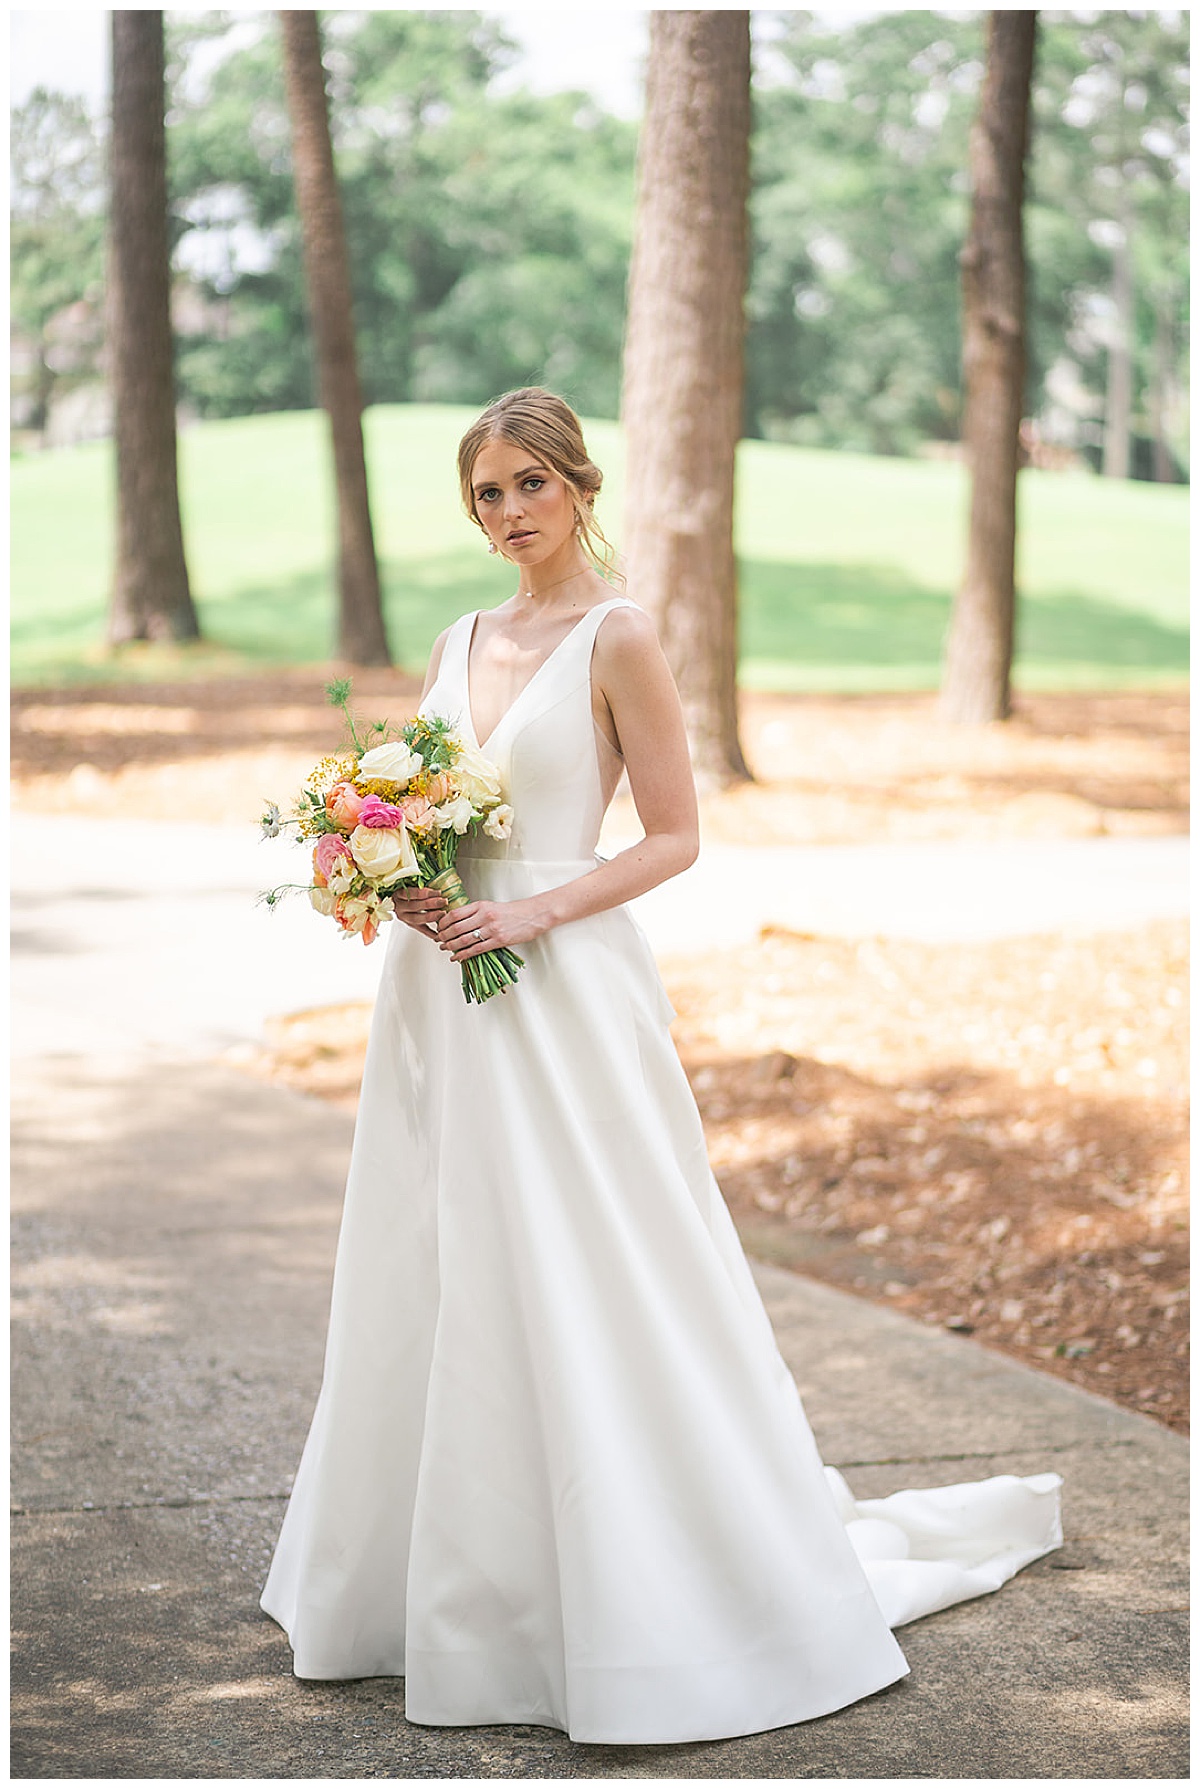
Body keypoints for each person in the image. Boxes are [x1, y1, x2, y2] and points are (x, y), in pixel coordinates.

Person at [260, 388, 1062, 1746]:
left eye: (528, 484)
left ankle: (645, 1592)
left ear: (577, 485)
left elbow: (676, 835)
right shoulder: (459, 637)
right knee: (448, 1257)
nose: (507, 513)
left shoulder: (617, 636)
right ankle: (445, 1590)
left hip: (561, 985)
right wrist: (396, 874)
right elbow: (419, 800)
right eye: (486, 493)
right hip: (444, 990)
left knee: (596, 1257)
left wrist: (528, 909)